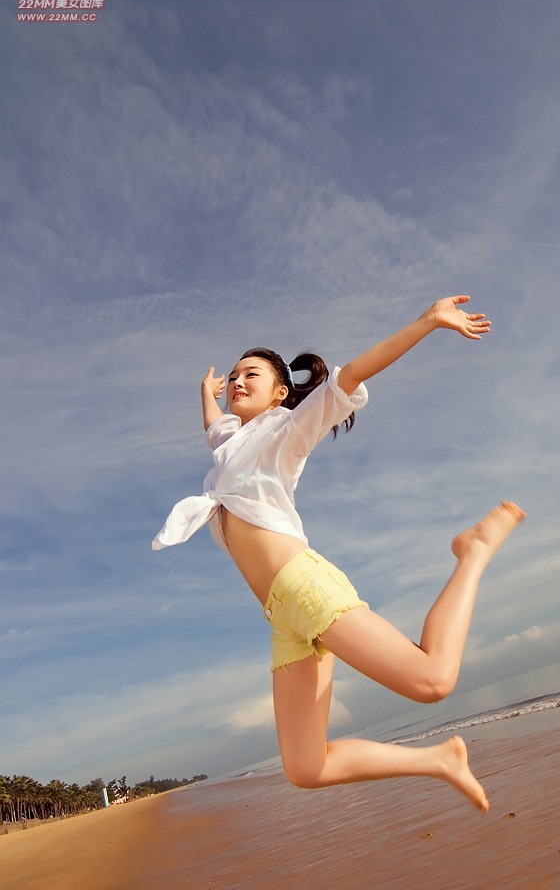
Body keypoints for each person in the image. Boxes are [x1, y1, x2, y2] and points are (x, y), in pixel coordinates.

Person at [153, 296, 525, 811]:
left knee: (433, 679)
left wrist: (428, 321)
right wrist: (205, 394)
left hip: (305, 587)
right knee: (307, 767)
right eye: (233, 375)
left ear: (281, 392)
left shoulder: (285, 431)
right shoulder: (228, 449)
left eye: (250, 375)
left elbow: (348, 376)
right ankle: (440, 760)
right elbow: (214, 429)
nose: (237, 381)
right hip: (283, 617)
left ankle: (474, 552)